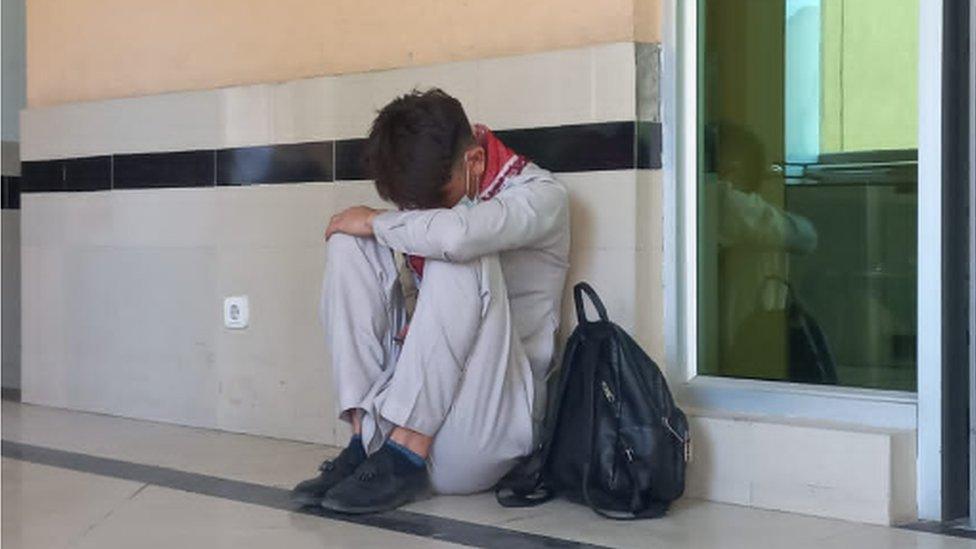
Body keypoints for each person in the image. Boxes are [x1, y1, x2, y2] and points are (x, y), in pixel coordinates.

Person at [291, 88, 571, 514]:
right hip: (413, 402)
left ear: (474, 161)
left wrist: (377, 219)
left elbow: (456, 236)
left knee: (457, 244)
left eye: (426, 204)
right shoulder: (442, 197)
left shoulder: (541, 197)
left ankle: (406, 450)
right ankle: (362, 438)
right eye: (407, 206)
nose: (414, 213)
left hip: (487, 429)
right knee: (350, 242)